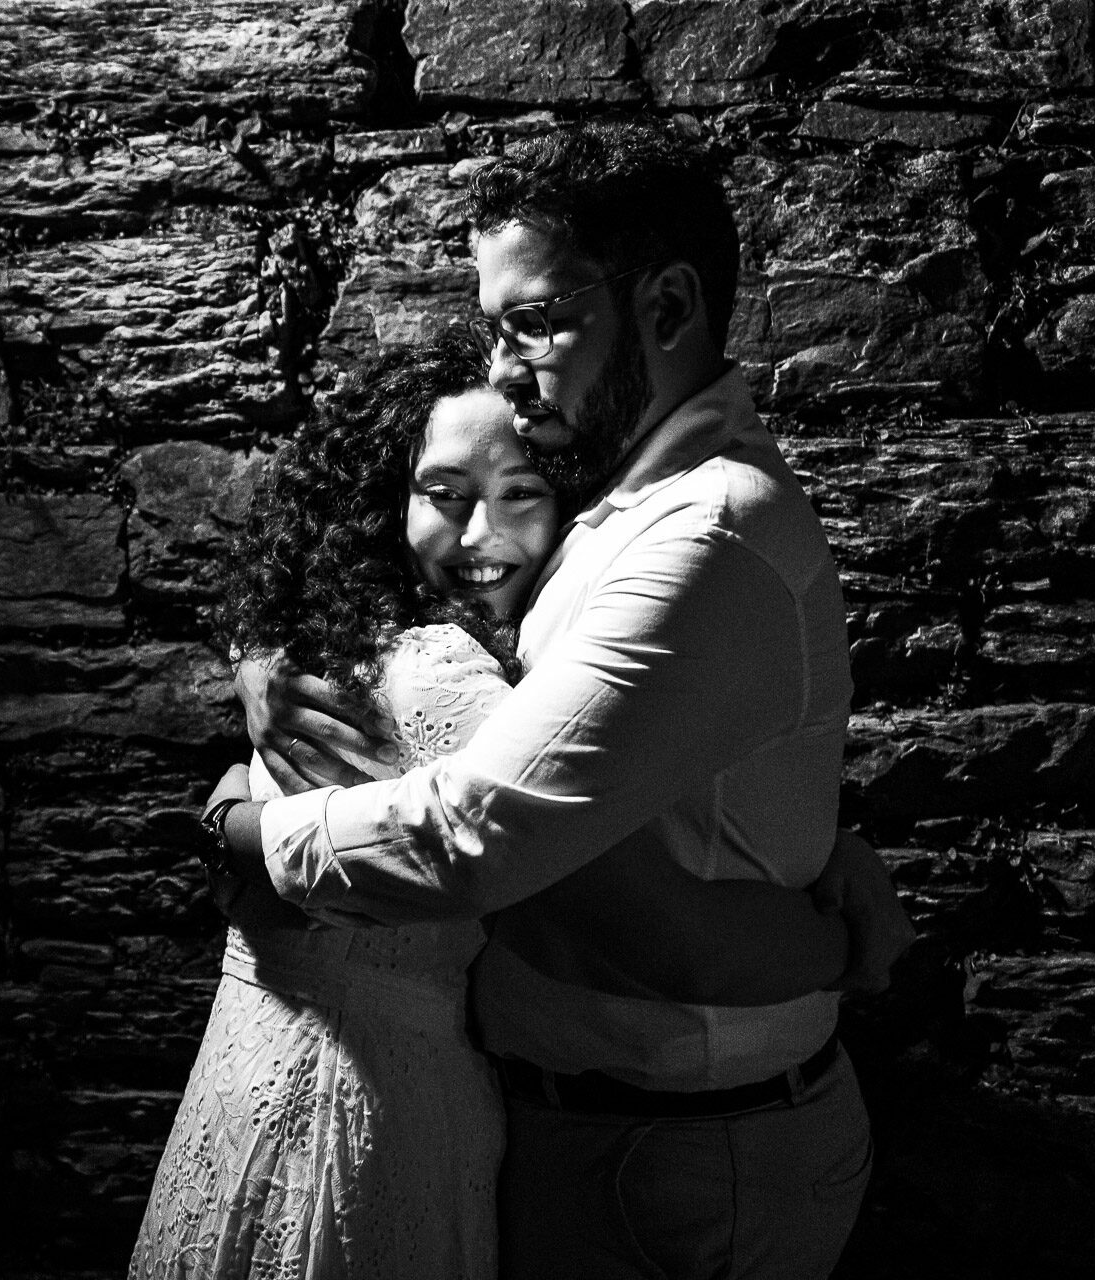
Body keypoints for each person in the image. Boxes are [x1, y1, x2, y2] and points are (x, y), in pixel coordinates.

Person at [207, 121, 917, 1278]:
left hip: (677, 1154)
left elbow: (487, 836)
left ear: (668, 307)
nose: (501, 368)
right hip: (583, 1124)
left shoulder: (704, 531)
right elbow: (651, 763)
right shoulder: (613, 493)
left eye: (534, 322)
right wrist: (260, 682)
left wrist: (240, 827)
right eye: (493, 328)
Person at [129, 332, 860, 1280]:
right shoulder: (444, 673)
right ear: (383, 504)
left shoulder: (339, 639)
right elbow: (623, 926)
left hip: (258, 1079)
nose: (481, 536)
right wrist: (843, 942)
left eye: (521, 493)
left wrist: (234, 809)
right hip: (367, 1102)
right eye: (445, 495)